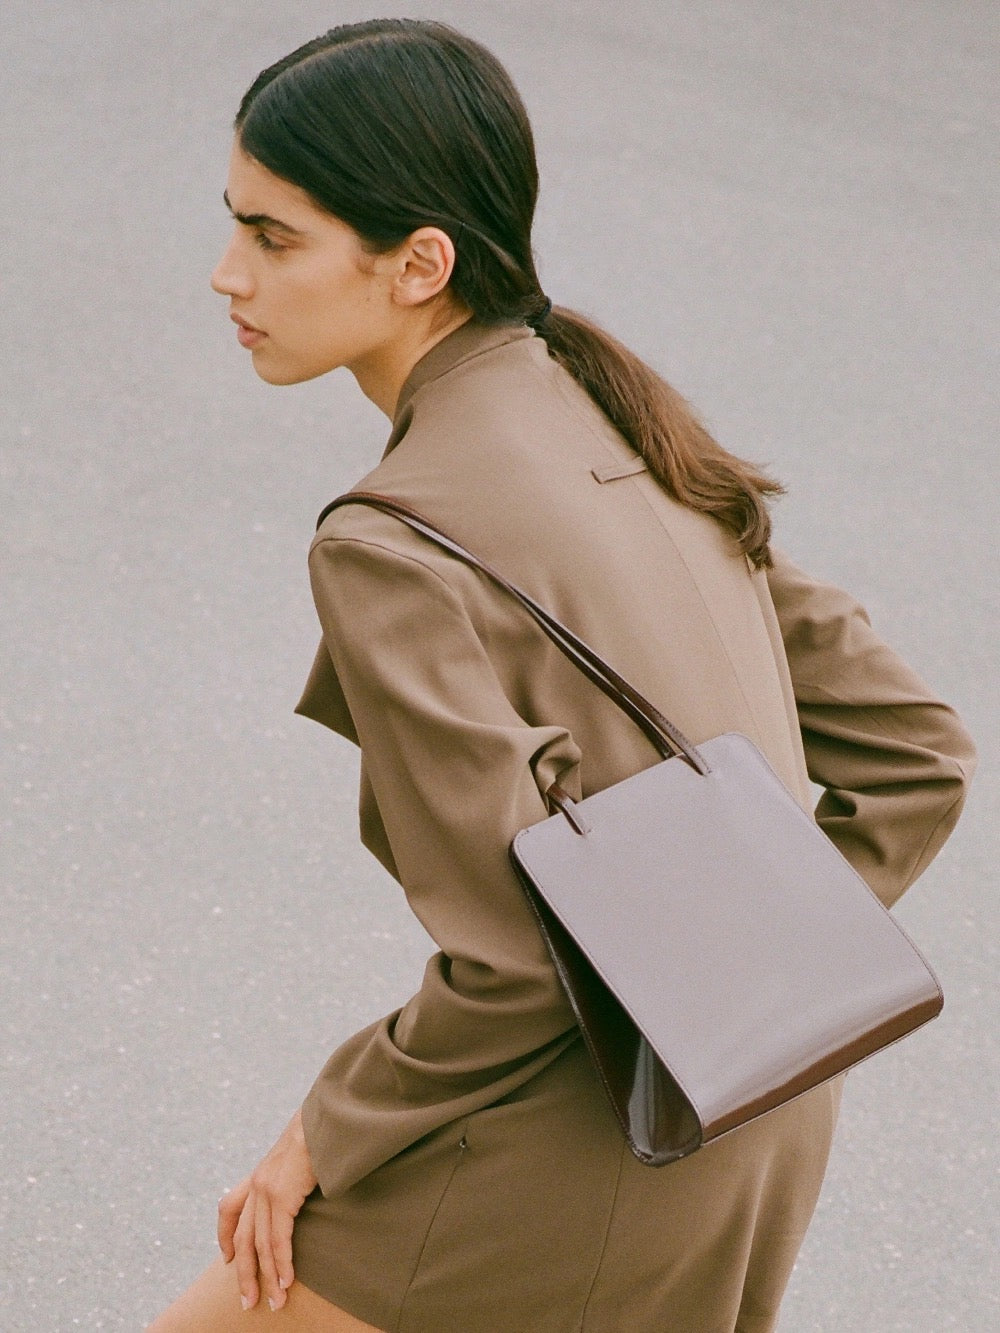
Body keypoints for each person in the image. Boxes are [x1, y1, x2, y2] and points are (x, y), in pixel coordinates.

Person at [149, 18, 976, 1333]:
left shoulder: (386, 541)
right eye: (234, 225)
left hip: (576, 1147)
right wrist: (747, 966)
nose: (225, 273)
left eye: (274, 237)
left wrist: (327, 1126)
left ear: (419, 262)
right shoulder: (606, 403)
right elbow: (916, 749)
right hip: (750, 1103)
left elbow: (517, 962)